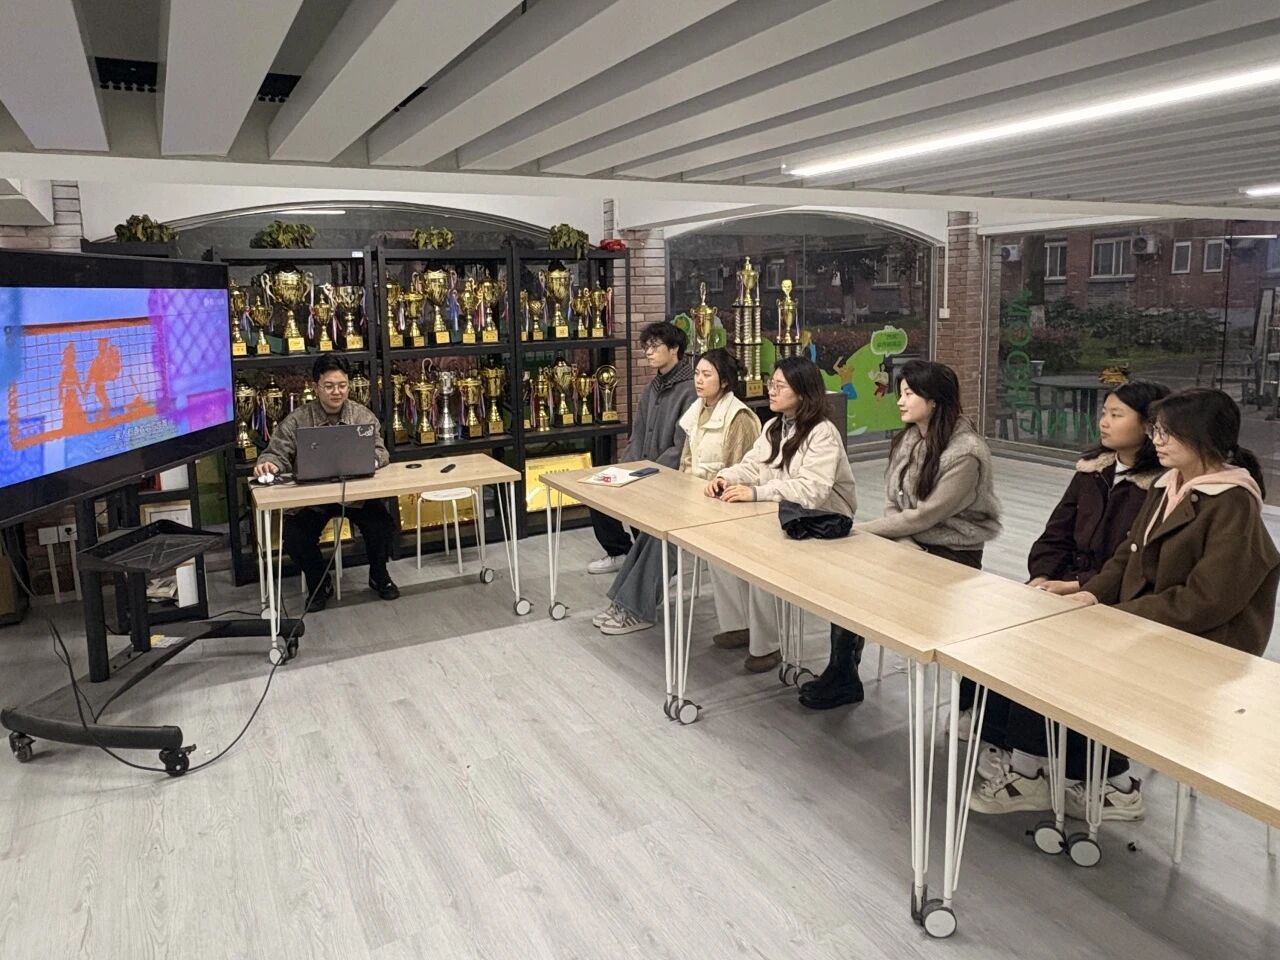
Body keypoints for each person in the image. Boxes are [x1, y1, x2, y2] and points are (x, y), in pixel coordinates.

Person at [1021, 388, 1277, 815]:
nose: (1156, 440)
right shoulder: (1168, 483)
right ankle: (1040, 766)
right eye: (1156, 430)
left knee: (1072, 662)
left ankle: (1110, 784)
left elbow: (1206, 602)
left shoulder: (1232, 502)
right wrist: (1090, 593)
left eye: (1167, 433)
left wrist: (1117, 618)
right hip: (1154, 624)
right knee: (1045, 645)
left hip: (1205, 645)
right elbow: (1128, 553)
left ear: (1203, 436)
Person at [970, 380, 1170, 819]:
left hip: (1115, 600)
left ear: (1149, 424)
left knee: (1050, 655)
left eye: (1116, 414)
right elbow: (1055, 533)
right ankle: (1015, 750)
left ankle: (1059, 772)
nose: (1104, 421)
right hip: (1068, 587)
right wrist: (1043, 576)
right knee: (1000, 631)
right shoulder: (1092, 471)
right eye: (1104, 411)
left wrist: (1078, 587)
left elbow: (1133, 565)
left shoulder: (1161, 487)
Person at [800, 360, 1001, 710]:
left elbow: (926, 515)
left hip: (953, 553)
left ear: (933, 400)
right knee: (847, 575)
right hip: (913, 542)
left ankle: (845, 674)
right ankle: (843, 672)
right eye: (900, 393)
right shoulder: (908, 439)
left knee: (863, 571)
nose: (900, 401)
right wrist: (904, 544)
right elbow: (894, 504)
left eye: (909, 394)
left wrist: (859, 529)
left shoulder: (966, 453)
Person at [706, 357, 858, 671]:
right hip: (784, 515)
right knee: (717, 545)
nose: (771, 391)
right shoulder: (774, 426)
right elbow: (753, 465)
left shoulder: (822, 432)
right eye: (770, 384)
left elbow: (812, 491)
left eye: (779, 386)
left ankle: (767, 647)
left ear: (802, 392)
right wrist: (725, 477)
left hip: (822, 522)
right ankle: (739, 625)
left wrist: (757, 493)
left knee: (762, 558)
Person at [595, 349, 758, 635]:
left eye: (707, 375)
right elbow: (686, 461)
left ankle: (636, 609)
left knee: (666, 537)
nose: (699, 380)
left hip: (720, 508)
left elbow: (738, 474)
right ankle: (623, 602)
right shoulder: (698, 410)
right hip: (693, 498)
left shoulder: (739, 418)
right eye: (697, 374)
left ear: (724, 382)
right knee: (651, 530)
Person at [254, 355, 397, 611]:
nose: (336, 392)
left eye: (342, 385)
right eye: (329, 386)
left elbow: (381, 451)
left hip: (355, 496)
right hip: (313, 499)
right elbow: (275, 453)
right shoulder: (297, 419)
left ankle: (378, 575)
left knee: (383, 526)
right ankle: (319, 582)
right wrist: (269, 464)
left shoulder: (361, 415)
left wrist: (371, 461)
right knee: (295, 537)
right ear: (316, 387)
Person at [587, 321, 695, 575]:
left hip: (668, 474)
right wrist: (625, 469)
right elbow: (637, 435)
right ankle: (621, 552)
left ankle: (655, 563)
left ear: (674, 349)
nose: (648, 352)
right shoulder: (652, 387)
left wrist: (647, 472)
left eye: (655, 346)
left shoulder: (690, 390)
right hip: (643, 469)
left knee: (639, 502)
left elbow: (681, 447)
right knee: (597, 491)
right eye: (646, 346)